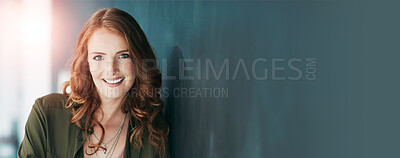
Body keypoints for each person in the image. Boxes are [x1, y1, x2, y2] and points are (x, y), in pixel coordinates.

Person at [18, 8, 170, 158]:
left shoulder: (153, 132)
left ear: (138, 60)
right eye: (99, 57)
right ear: (87, 62)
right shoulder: (46, 114)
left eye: (123, 55)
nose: (111, 69)